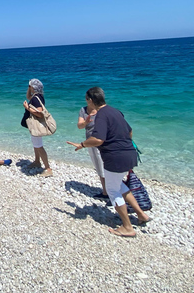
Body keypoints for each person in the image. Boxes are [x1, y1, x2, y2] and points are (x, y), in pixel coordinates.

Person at [67, 87, 150, 237]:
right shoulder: (115, 111)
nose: (86, 102)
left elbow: (98, 139)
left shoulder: (101, 115)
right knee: (119, 185)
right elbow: (129, 131)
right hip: (129, 154)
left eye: (86, 100)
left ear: (91, 101)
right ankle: (141, 214)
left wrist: (83, 144)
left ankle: (127, 227)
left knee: (112, 190)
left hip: (115, 158)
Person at [21, 78, 53, 177]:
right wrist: (29, 88)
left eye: (30, 86)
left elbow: (40, 114)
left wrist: (27, 108)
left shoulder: (36, 99)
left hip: (36, 125)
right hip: (34, 125)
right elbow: (28, 96)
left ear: (33, 87)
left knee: (39, 146)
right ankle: (37, 161)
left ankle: (48, 168)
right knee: (36, 144)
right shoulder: (38, 96)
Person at [78, 103, 108, 199]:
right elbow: (79, 126)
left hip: (105, 141)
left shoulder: (102, 109)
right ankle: (106, 191)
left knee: (107, 166)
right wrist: (85, 123)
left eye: (87, 99)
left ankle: (108, 192)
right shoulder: (83, 110)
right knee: (99, 167)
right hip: (91, 142)